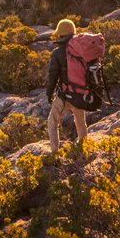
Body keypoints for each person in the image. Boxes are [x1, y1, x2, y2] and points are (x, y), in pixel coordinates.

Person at [45, 18, 88, 154]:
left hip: (64, 95)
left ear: (60, 34)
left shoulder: (58, 52)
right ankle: (84, 147)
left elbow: (53, 76)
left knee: (52, 123)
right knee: (80, 121)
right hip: (81, 93)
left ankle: (54, 153)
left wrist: (49, 93)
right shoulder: (82, 49)